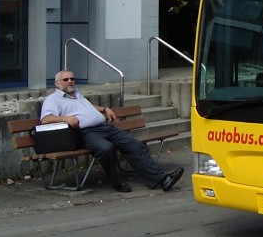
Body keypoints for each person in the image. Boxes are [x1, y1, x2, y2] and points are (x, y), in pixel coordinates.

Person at [40, 70, 184, 193]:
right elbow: (45, 119)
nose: (70, 81)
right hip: (85, 133)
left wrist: (104, 109)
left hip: (105, 128)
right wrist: (65, 118)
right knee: (106, 148)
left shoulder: (76, 94)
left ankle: (163, 180)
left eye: (72, 79)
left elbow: (88, 108)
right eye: (66, 79)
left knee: (135, 145)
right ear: (57, 83)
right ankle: (117, 182)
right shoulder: (53, 100)